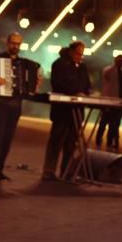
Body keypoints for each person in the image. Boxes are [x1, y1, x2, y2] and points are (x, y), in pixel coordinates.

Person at [0, 31, 38, 181]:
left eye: (18, 44)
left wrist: (35, 83)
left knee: (7, 139)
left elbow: (31, 82)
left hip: (16, 105)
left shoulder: (25, 64)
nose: (15, 46)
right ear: (8, 43)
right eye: (13, 43)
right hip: (0, 103)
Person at [42, 40, 92, 179]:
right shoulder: (59, 64)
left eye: (82, 54)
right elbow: (58, 84)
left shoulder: (82, 67)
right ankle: (49, 171)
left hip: (77, 110)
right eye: (78, 54)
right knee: (56, 141)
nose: (80, 57)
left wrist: (85, 93)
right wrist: (74, 92)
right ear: (71, 52)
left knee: (71, 143)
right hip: (62, 111)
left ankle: (67, 171)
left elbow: (87, 84)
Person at [95, 54, 122, 149]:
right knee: (104, 122)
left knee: (113, 123)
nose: (120, 62)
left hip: (118, 101)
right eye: (119, 60)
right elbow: (106, 76)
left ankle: (109, 141)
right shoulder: (109, 70)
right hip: (108, 100)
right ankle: (99, 139)